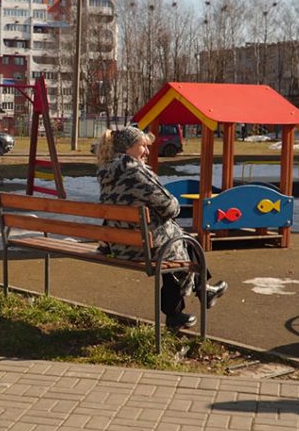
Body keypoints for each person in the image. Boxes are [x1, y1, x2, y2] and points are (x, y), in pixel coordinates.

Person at [95, 126, 228, 330]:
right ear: (129, 148)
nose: (147, 152)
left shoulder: (106, 171)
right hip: (144, 247)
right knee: (182, 244)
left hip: (120, 245)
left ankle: (202, 292)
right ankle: (180, 309)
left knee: (178, 241)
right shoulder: (135, 171)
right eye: (143, 146)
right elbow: (170, 207)